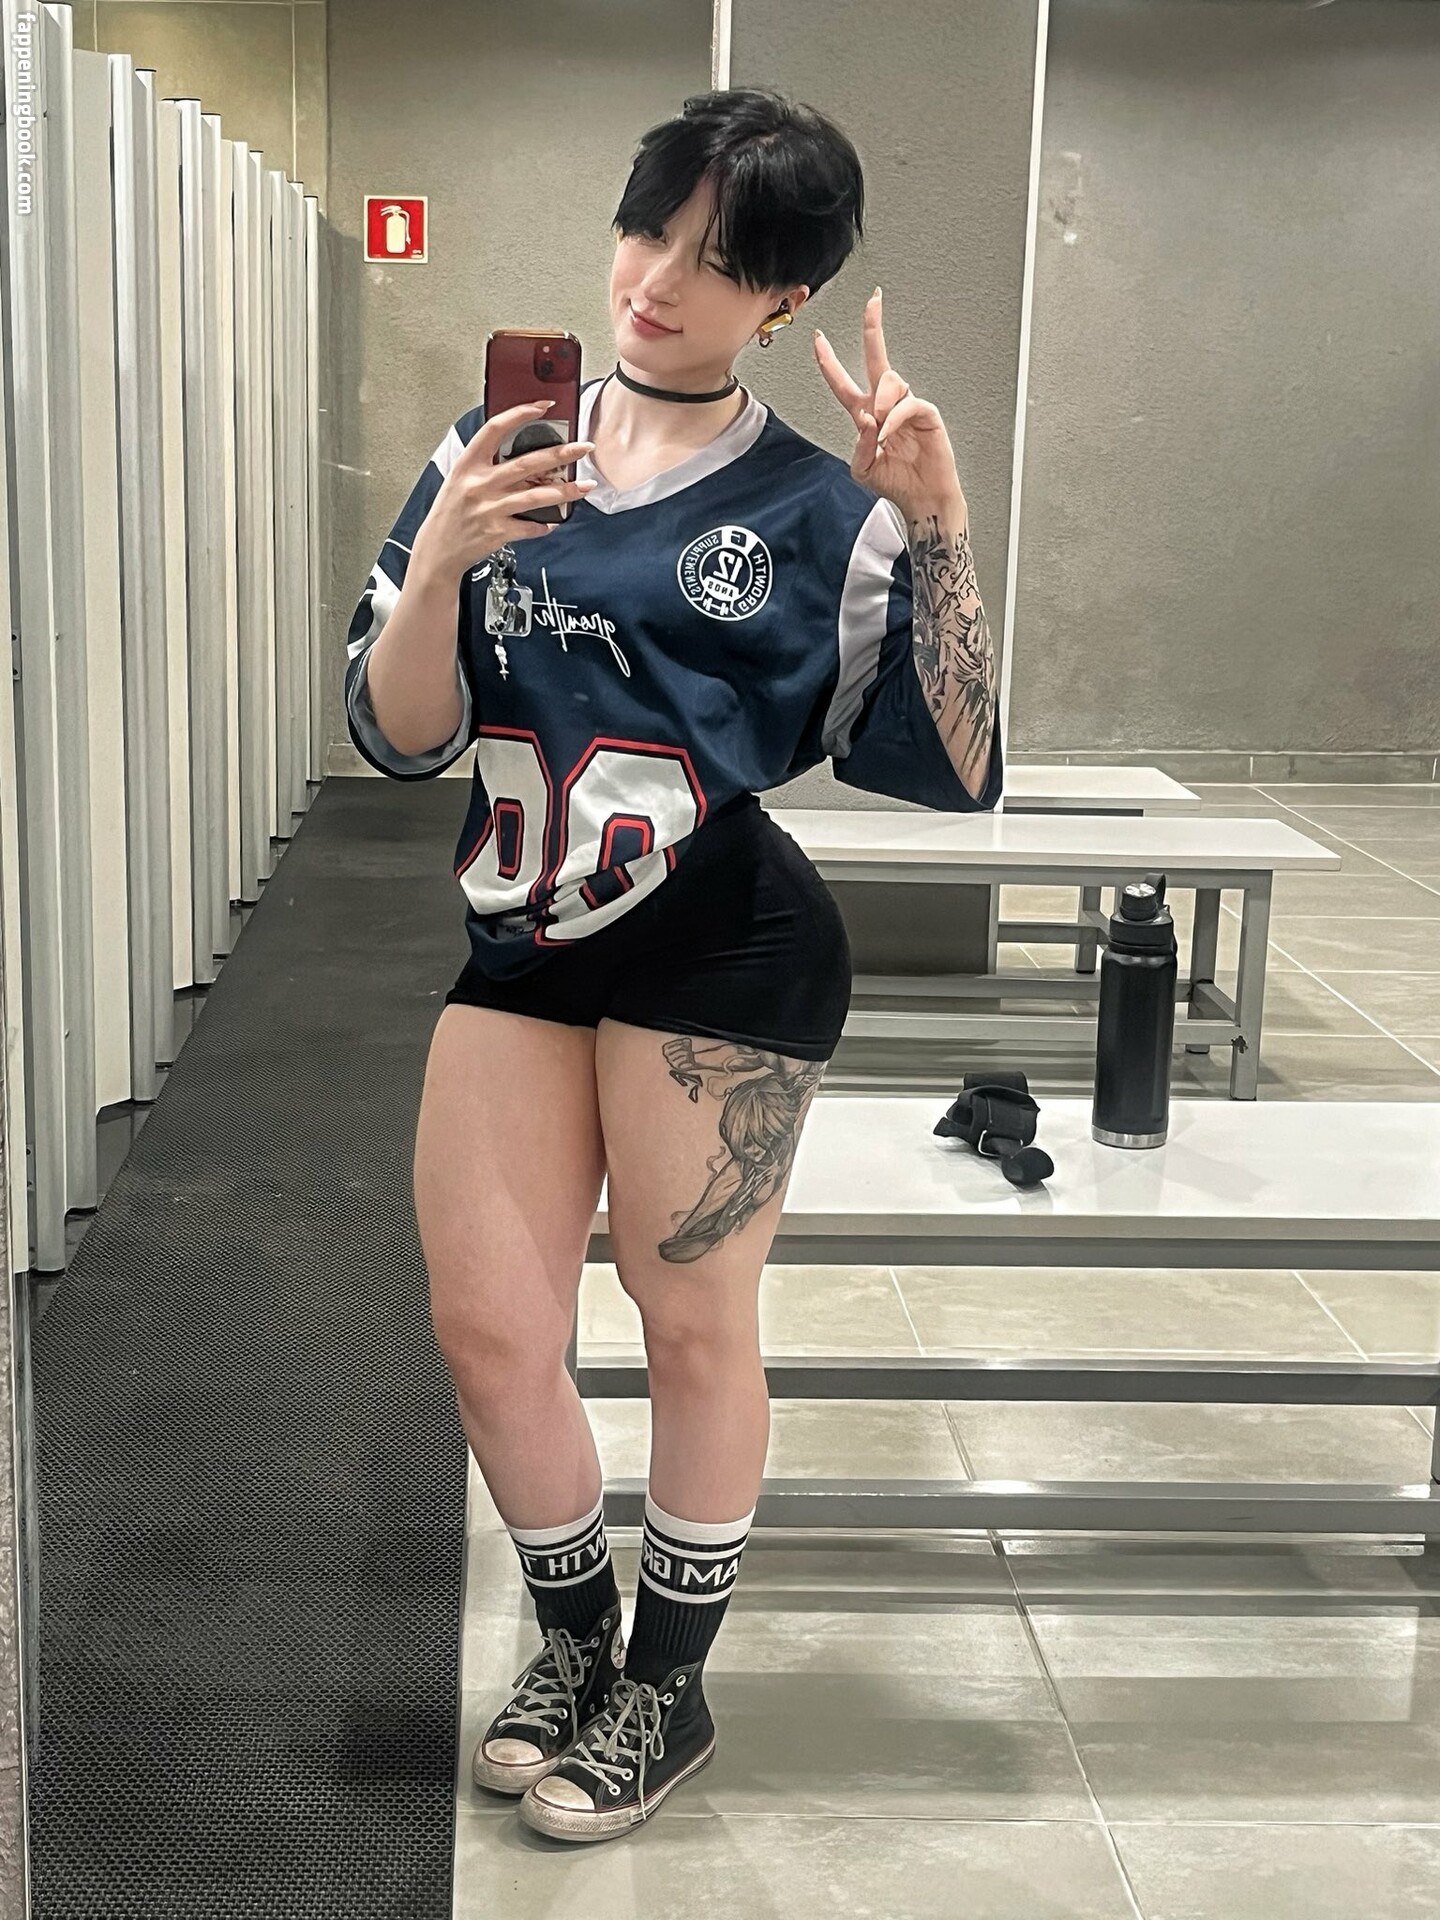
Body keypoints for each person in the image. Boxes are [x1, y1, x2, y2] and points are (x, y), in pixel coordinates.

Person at [343, 85, 1002, 1845]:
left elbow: (959, 767)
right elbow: (399, 733)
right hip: (521, 937)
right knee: (490, 1327)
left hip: (725, 949)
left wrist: (937, 522)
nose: (656, 281)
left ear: (783, 299)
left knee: (689, 1315)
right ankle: (575, 1645)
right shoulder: (492, 452)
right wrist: (445, 561)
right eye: (648, 230)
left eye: (716, 262)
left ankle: (668, 1685)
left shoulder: (812, 509)